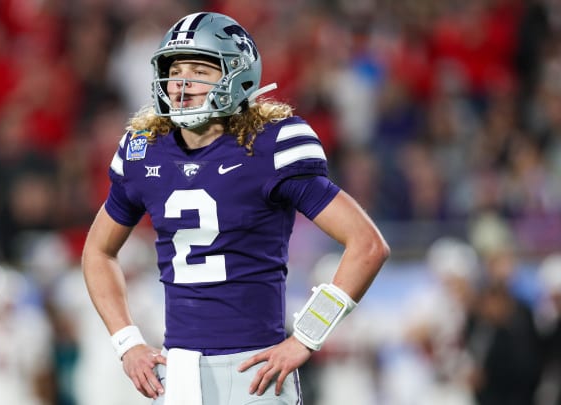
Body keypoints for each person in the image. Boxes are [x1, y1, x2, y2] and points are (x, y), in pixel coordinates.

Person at [81, 11, 389, 404]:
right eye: (176, 70)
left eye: (199, 70)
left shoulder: (271, 145)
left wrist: (306, 337)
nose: (182, 83)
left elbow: (367, 244)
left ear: (237, 76)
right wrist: (128, 342)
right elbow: (97, 251)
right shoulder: (144, 151)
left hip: (255, 374)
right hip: (179, 375)